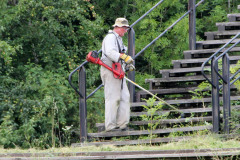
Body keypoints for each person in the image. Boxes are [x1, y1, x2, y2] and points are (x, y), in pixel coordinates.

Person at [100, 17, 134, 132]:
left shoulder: (119, 39)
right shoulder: (110, 37)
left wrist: (127, 64)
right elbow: (110, 52)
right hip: (109, 69)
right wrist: (124, 57)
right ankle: (110, 126)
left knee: (125, 96)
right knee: (112, 98)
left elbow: (121, 54)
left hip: (118, 70)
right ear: (117, 27)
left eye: (126, 28)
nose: (125, 30)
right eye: (124, 28)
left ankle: (122, 124)